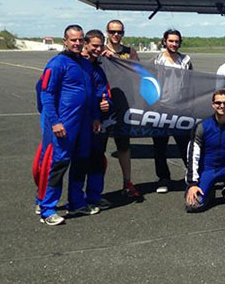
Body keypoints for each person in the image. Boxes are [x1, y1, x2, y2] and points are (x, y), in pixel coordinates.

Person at [32, 24, 100, 225]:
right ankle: (48, 208)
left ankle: (77, 202)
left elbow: (92, 94)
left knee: (81, 163)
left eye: (80, 40)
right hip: (65, 124)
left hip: (85, 123)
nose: (77, 43)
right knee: (58, 164)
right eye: (73, 40)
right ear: (65, 41)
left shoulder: (86, 65)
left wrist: (95, 117)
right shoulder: (57, 64)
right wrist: (55, 122)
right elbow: (46, 94)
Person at [100, 19, 142, 201]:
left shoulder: (129, 52)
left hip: (124, 104)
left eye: (119, 32)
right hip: (102, 107)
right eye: (112, 31)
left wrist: (115, 59)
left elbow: (137, 72)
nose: (116, 35)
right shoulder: (98, 50)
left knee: (124, 146)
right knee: (98, 148)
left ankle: (127, 182)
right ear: (107, 32)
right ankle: (96, 189)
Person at [184, 90, 225, 212]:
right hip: (207, 169)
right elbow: (192, 154)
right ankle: (209, 191)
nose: (222, 106)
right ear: (213, 104)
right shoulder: (202, 126)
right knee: (193, 206)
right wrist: (192, 184)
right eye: (218, 103)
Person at [152, 28, 193, 194]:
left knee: (185, 145)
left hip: (181, 109)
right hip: (160, 109)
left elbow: (191, 82)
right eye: (171, 41)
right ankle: (163, 178)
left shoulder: (186, 60)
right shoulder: (156, 60)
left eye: (176, 41)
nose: (174, 44)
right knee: (160, 146)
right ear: (164, 41)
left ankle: (191, 175)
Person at [82, 29, 113, 211]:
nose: (98, 48)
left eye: (101, 45)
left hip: (97, 122)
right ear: (86, 44)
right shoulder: (73, 64)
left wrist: (105, 104)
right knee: (71, 161)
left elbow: (104, 93)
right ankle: (47, 200)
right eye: (94, 45)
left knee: (96, 159)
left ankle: (94, 195)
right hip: (76, 121)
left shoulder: (100, 68)